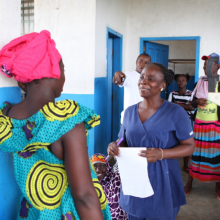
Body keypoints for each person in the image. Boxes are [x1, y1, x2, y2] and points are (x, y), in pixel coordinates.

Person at [0, 31, 112, 220]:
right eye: (63, 69)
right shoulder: (65, 121)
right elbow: (84, 196)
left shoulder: (7, 116)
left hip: (30, 213)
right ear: (52, 73)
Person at [108, 63, 195, 220]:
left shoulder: (175, 112)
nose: (143, 81)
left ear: (162, 85)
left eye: (151, 79)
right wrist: (115, 146)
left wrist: (161, 153)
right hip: (134, 180)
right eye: (142, 77)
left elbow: (189, 147)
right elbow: (123, 141)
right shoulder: (129, 112)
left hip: (163, 181)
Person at [184, 53, 220, 199]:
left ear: (217, 66)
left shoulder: (218, 82)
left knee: (215, 155)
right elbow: (192, 103)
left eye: (209, 64)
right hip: (199, 123)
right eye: (204, 65)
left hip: (215, 125)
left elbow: (217, 103)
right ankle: (190, 181)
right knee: (196, 154)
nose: (205, 68)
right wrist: (197, 103)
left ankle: (218, 184)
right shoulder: (200, 81)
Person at [113, 53, 151, 123]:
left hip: (146, 119)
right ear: (136, 62)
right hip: (129, 119)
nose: (143, 64)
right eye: (140, 61)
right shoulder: (128, 75)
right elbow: (119, 81)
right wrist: (117, 74)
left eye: (146, 62)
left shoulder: (151, 78)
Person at [168, 73, 195, 173]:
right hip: (174, 121)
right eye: (179, 80)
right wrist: (184, 106)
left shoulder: (191, 94)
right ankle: (172, 162)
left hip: (187, 121)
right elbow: (169, 108)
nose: (181, 82)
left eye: (183, 80)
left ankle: (185, 165)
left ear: (186, 82)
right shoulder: (172, 93)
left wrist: (176, 105)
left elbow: (192, 108)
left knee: (186, 142)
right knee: (174, 141)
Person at [91, 153, 128, 220]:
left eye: (102, 166)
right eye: (94, 167)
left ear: (107, 167)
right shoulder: (89, 186)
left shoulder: (116, 179)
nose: (98, 170)